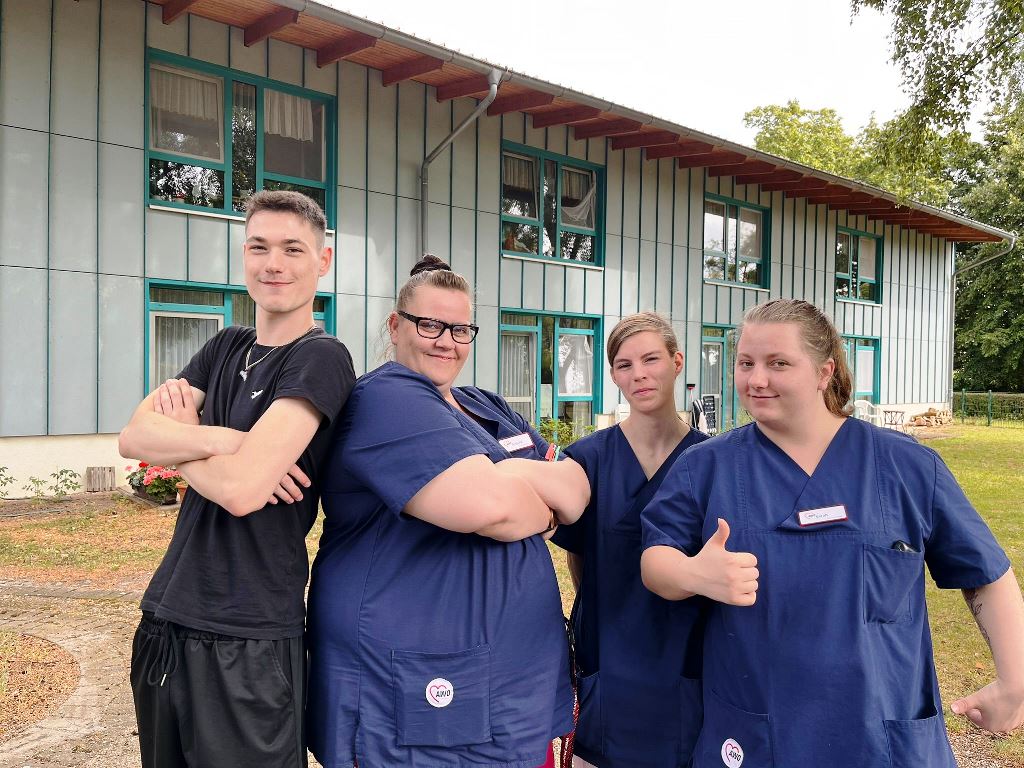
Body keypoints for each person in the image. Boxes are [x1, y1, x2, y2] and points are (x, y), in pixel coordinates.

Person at [640, 298, 1024, 768]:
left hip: (881, 736)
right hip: (758, 733)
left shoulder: (905, 465)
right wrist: (694, 574)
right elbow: (655, 560)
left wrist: (1015, 681)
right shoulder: (706, 466)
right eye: (746, 363)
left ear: (825, 372)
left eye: (778, 363)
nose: (756, 379)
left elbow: (985, 574)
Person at [306, 255, 588, 768]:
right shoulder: (386, 398)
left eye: (461, 330)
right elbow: (495, 510)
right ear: (395, 326)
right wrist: (524, 493)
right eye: (430, 325)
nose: (446, 341)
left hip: (512, 679)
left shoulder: (484, 405)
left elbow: (575, 490)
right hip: (426, 683)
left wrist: (504, 472)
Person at [118, 190, 356, 768]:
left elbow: (244, 492)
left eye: (292, 249)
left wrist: (186, 439)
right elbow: (134, 438)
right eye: (258, 247)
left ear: (322, 261)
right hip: (165, 617)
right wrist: (228, 441)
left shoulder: (321, 357)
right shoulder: (225, 345)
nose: (273, 264)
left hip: (248, 633)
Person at [551, 312, 709, 768]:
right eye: (624, 365)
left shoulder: (710, 460)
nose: (638, 374)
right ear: (614, 375)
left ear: (677, 362)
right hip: (609, 662)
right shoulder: (588, 460)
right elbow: (579, 558)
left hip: (687, 662)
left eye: (651, 359)